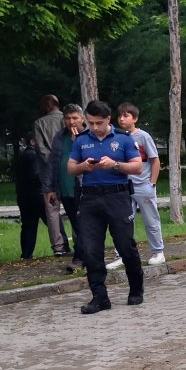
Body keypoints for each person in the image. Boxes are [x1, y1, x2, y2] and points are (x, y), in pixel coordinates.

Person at [66, 100, 145, 314]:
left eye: (99, 123)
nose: (94, 127)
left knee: (125, 245)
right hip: (90, 198)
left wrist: (115, 165)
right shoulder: (82, 140)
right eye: (90, 123)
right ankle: (99, 297)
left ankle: (136, 288)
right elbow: (71, 168)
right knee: (91, 250)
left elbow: (137, 167)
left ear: (108, 119)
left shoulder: (123, 139)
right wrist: (83, 167)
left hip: (117, 196)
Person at [107, 102, 165, 268]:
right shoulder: (117, 137)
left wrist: (152, 183)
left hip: (142, 185)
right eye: (120, 116)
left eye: (126, 115)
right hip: (123, 185)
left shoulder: (143, 137)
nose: (122, 119)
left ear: (135, 118)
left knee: (151, 220)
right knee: (122, 222)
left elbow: (154, 160)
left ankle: (158, 251)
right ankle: (121, 255)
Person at [43, 104, 86, 265]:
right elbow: (53, 163)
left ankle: (80, 258)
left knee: (83, 223)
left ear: (82, 119)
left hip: (84, 187)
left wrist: (77, 142)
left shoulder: (88, 136)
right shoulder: (59, 137)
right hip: (64, 187)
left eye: (75, 118)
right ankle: (85, 255)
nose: (71, 121)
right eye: (68, 118)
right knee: (75, 222)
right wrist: (50, 188)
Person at [32, 94, 71, 256]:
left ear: (46, 107)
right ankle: (80, 240)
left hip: (48, 171)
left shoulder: (39, 123)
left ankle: (58, 246)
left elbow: (41, 148)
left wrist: (53, 163)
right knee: (75, 206)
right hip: (70, 169)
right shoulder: (69, 119)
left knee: (52, 210)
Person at [13, 135, 45, 259]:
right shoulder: (34, 156)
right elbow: (36, 175)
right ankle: (61, 246)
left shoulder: (23, 155)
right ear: (32, 141)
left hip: (24, 195)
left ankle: (26, 253)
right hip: (37, 194)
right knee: (53, 221)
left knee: (28, 225)